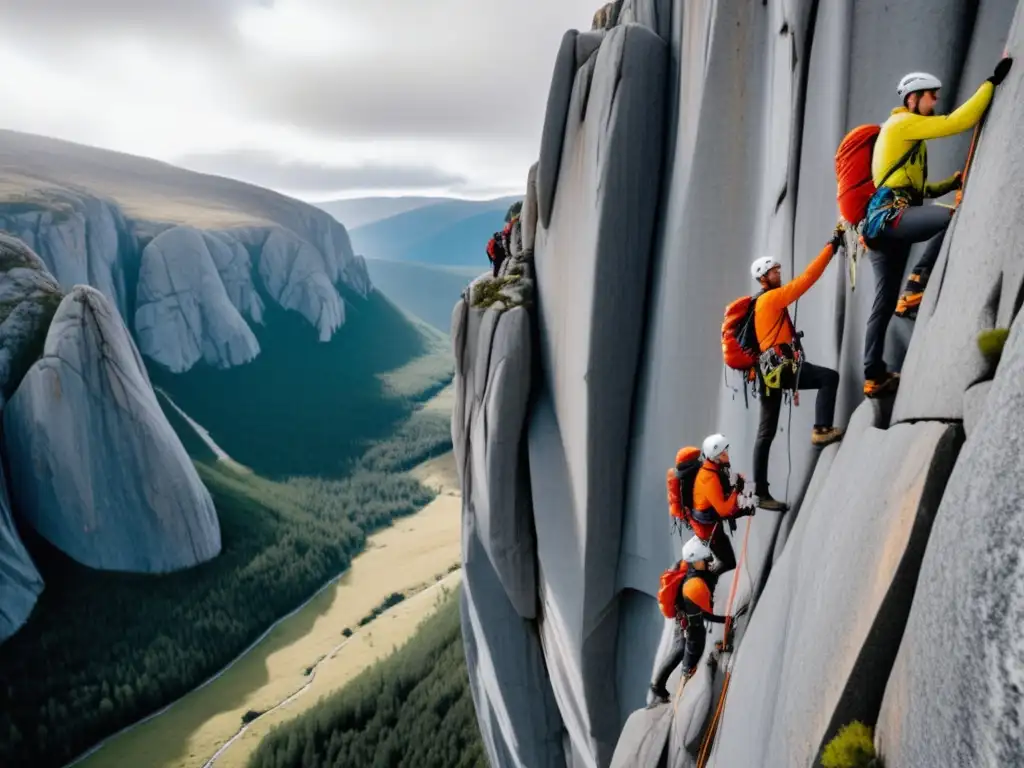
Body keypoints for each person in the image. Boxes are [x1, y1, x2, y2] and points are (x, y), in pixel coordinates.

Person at [861, 57, 1013, 397]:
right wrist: (991, 83)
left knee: (883, 304)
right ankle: (917, 281)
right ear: (913, 98)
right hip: (891, 218)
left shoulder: (904, 133)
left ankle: (874, 374)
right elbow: (957, 122)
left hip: (880, 225)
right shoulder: (902, 125)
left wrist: (947, 184)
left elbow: (914, 189)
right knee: (952, 217)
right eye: (931, 95)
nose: (935, 101)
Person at [750, 233, 845, 512]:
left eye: (778, 270)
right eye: (774, 271)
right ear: (764, 278)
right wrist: (830, 247)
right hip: (780, 369)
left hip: (767, 373)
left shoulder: (760, 303)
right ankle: (822, 429)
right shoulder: (770, 300)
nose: (779, 273)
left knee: (765, 432)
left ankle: (761, 492)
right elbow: (806, 280)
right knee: (829, 378)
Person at [648, 536, 748, 705]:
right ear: (696, 561)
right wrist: (727, 620)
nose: (709, 560)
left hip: (685, 610)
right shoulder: (694, 587)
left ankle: (661, 684)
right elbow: (704, 615)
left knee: (681, 647)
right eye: (705, 559)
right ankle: (677, 678)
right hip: (688, 618)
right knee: (687, 647)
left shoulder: (691, 566)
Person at [690, 433, 756, 576]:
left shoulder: (714, 468)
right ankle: (705, 579)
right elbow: (723, 510)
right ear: (716, 457)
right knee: (728, 561)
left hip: (709, 516)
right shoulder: (709, 478)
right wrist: (736, 491)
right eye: (723, 452)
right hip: (707, 522)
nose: (727, 454)